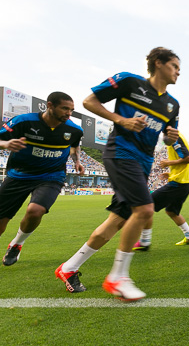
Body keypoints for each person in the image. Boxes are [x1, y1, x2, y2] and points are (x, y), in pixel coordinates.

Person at [55, 47, 180, 301]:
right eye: (174, 66)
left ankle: (68, 268)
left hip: (144, 161)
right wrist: (121, 120)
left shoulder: (172, 104)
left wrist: (170, 136)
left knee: (118, 220)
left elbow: (167, 135)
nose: (178, 72)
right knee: (144, 211)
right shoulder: (129, 81)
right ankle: (118, 277)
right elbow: (89, 101)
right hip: (121, 152)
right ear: (158, 63)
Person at [0, 92, 84, 266]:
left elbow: (75, 146)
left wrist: (77, 161)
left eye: (72, 110)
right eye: (65, 108)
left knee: (35, 211)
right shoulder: (23, 121)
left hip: (51, 176)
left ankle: (17, 244)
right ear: (50, 105)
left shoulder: (75, 130)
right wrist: (6, 144)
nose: (69, 113)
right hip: (19, 174)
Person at [133, 132, 189, 251]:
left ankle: (144, 242)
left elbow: (188, 159)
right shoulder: (172, 136)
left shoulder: (173, 136)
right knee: (172, 211)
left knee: (147, 206)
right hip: (185, 181)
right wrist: (171, 173)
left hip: (180, 182)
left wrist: (168, 162)